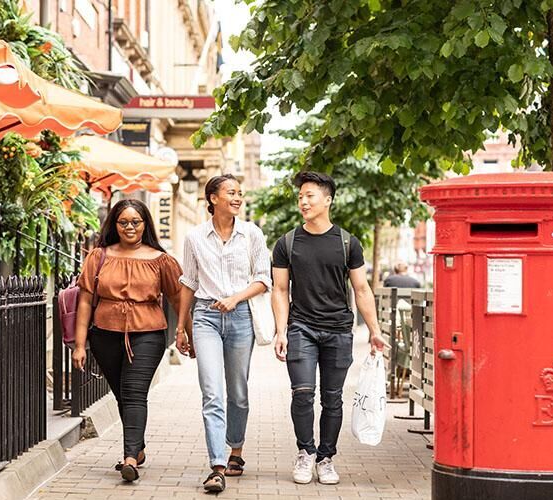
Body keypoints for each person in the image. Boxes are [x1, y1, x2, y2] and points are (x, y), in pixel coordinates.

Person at [271, 171, 389, 485]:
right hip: (301, 328)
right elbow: (280, 290)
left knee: (333, 398)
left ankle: (326, 458)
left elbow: (362, 290)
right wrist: (281, 330)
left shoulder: (348, 242)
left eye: (309, 195)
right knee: (302, 394)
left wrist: (375, 331)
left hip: (338, 330)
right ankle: (305, 452)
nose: (303, 202)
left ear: (328, 199)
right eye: (300, 197)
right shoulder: (287, 242)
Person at [72, 199, 183, 483]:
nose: (130, 227)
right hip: (104, 335)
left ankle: (130, 458)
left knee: (134, 392)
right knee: (123, 394)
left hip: (147, 334)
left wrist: (185, 332)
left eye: (136, 222)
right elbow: (85, 301)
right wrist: (80, 344)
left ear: (145, 224)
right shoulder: (98, 256)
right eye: (124, 222)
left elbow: (178, 298)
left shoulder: (161, 260)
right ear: (115, 224)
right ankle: (139, 447)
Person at [176, 174, 271, 493]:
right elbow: (188, 282)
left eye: (240, 193)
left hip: (241, 316)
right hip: (205, 316)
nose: (238, 197)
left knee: (238, 392)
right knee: (212, 392)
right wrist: (181, 327)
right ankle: (217, 465)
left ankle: (236, 450)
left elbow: (263, 280)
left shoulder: (252, 235)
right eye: (231, 192)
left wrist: (236, 298)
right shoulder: (194, 237)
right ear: (213, 198)